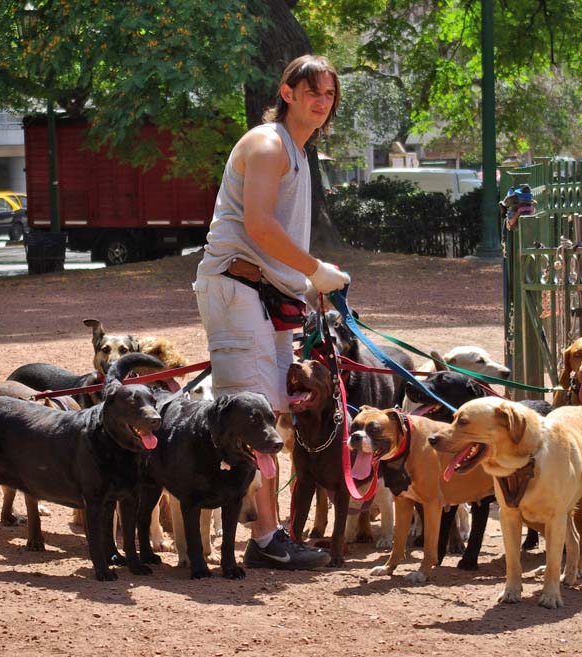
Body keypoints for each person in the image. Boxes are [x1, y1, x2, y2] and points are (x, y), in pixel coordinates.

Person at [193, 54, 351, 570]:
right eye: (311, 91)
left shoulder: (299, 154)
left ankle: (264, 529)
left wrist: (304, 284)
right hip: (237, 288)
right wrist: (315, 268)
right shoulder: (267, 145)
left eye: (328, 94)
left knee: (275, 409)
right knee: (254, 414)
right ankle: (264, 538)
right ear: (286, 93)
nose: (320, 102)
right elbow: (258, 227)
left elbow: (269, 238)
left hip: (264, 293)